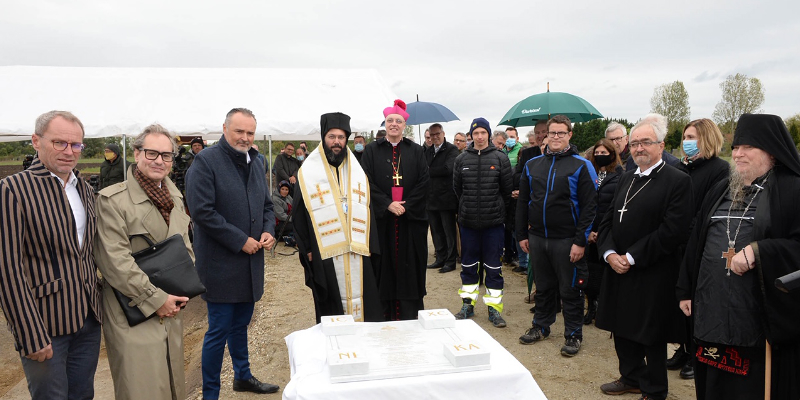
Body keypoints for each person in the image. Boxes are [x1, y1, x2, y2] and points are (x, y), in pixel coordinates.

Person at [676, 113, 800, 399]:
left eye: (748, 147)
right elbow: (697, 241)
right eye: (735, 148)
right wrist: (685, 289)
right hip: (712, 307)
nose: (738, 154)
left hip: (757, 317)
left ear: (771, 150)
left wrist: (759, 251)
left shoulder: (792, 189)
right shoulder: (723, 188)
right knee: (714, 386)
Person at [0, 110, 103, 400]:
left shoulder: (84, 189)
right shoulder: (13, 190)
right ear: (36, 141)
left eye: (76, 145)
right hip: (45, 324)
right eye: (60, 143)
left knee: (83, 395)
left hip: (88, 319)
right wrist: (29, 333)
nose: (69, 152)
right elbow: (8, 269)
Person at [595, 114, 693, 400]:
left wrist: (631, 257)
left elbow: (673, 230)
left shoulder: (678, 180)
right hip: (618, 267)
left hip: (653, 270)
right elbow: (607, 221)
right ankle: (631, 377)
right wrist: (609, 253)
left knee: (651, 333)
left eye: (646, 142)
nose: (639, 148)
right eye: (635, 143)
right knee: (621, 326)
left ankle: (655, 389)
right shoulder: (626, 178)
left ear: (661, 146)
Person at [185, 108, 279, 399]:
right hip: (221, 265)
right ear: (225, 129)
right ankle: (210, 393)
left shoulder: (256, 162)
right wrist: (240, 241)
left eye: (250, 133)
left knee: (241, 325)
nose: (245, 138)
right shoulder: (206, 162)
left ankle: (243, 376)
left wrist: (268, 230)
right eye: (239, 131)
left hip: (250, 264)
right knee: (218, 332)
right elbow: (202, 211)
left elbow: (267, 205)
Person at [94, 124, 193, 400]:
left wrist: (183, 287)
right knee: (142, 388)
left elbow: (185, 248)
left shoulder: (174, 197)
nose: (159, 160)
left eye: (166, 155)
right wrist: (157, 299)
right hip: (133, 311)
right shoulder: (112, 201)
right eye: (152, 153)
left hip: (170, 308)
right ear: (137, 154)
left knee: (172, 387)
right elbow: (115, 262)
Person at [517, 115, 597, 357]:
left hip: (567, 240)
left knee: (570, 290)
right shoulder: (533, 165)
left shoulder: (581, 165)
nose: (556, 137)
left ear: (569, 135)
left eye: (561, 133)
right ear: (546, 135)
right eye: (552, 132)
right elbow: (523, 201)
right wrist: (521, 234)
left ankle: (573, 334)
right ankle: (541, 326)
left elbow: (590, 206)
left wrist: (580, 241)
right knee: (543, 287)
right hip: (538, 238)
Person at [293, 112, 382, 322]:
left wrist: (370, 242)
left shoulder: (357, 170)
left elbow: (368, 208)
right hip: (326, 249)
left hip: (357, 247)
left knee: (365, 300)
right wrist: (307, 248)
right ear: (324, 138)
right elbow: (299, 212)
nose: (336, 142)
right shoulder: (308, 172)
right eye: (332, 137)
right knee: (331, 304)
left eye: (341, 137)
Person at [669, 118, 729, 379]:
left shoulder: (720, 170)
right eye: (685, 137)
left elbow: (710, 207)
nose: (687, 142)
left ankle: (697, 353)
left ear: (707, 138)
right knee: (678, 299)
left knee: (695, 300)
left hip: (698, 243)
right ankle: (683, 348)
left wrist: (688, 230)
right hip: (676, 243)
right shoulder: (680, 168)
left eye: (692, 137)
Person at [361, 99, 430, 321]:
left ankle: (410, 315)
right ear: (385, 123)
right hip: (382, 221)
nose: (394, 124)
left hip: (410, 221)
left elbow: (424, 181)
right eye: (390, 120)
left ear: (404, 126)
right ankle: (382, 315)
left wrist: (405, 206)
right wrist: (387, 204)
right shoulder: (372, 150)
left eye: (398, 121)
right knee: (383, 268)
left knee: (410, 268)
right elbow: (365, 181)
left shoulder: (416, 150)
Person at [452, 117, 513, 328]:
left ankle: (494, 309)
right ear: (471, 135)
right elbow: (457, 189)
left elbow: (506, 191)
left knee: (493, 268)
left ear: (489, 134)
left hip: (493, 224)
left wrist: (496, 210)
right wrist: (466, 208)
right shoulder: (461, 159)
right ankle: (467, 305)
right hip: (468, 223)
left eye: (483, 133)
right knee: (468, 266)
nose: (479, 137)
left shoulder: (500, 158)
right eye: (476, 133)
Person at [583, 138, 623, 325]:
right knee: (590, 273)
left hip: (608, 232)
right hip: (589, 231)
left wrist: (603, 232)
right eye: (597, 153)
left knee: (605, 273)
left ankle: (604, 309)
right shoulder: (590, 173)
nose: (600, 156)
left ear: (612, 154)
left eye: (604, 153)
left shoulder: (620, 176)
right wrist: (588, 231)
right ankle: (591, 306)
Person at [513, 119, 547, 278]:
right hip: (532, 208)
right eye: (537, 133)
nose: (540, 136)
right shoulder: (528, 154)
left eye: (544, 132)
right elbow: (517, 176)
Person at [425, 123, 459, 274]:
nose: (435, 137)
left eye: (437, 134)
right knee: (436, 231)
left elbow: (447, 169)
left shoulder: (452, 150)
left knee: (448, 232)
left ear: (443, 133)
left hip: (446, 198)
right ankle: (440, 258)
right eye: (432, 135)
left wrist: (428, 171)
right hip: (431, 197)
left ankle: (450, 261)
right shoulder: (427, 151)